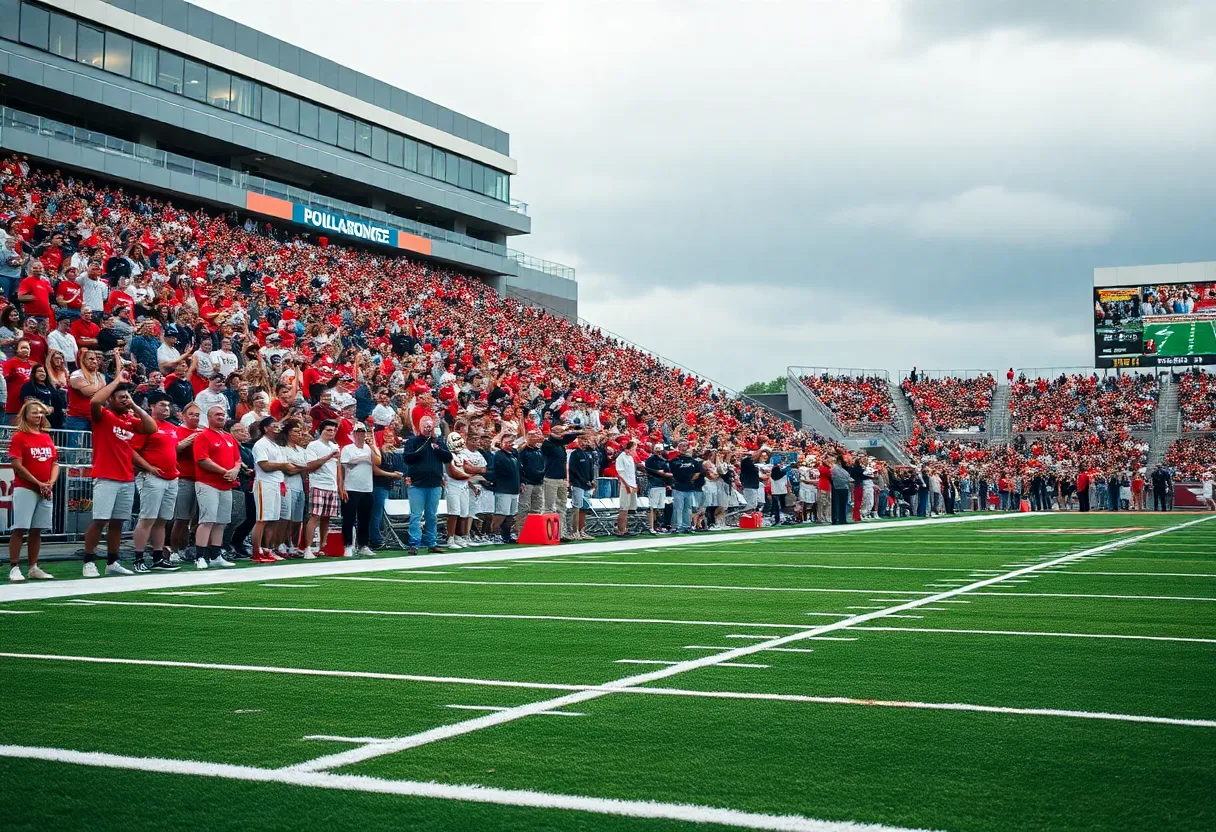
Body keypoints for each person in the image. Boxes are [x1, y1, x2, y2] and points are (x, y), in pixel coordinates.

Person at [83, 364, 157, 577]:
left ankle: (112, 562)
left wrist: (133, 403)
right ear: (111, 400)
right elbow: (95, 400)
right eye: (121, 397)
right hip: (106, 476)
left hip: (126, 477)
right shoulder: (103, 416)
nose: (125, 400)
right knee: (100, 521)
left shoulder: (128, 420)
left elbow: (151, 428)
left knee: (117, 523)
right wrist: (116, 381)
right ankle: (88, 561)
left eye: (127, 397)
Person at [129, 393, 183, 572]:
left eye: (168, 405)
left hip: (171, 477)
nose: (166, 408)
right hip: (152, 477)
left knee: (162, 520)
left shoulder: (172, 427)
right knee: (147, 518)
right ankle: (138, 558)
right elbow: (133, 451)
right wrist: (149, 467)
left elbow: (171, 450)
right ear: (151, 407)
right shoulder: (146, 426)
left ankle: (158, 557)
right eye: (162, 405)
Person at [7, 401, 58, 582]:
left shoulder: (46, 437)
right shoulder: (19, 437)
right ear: (25, 415)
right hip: (25, 488)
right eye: (34, 413)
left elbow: (54, 463)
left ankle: (33, 567)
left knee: (37, 530)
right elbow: (17, 465)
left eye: (41, 413)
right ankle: (14, 566)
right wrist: (38, 482)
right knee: (20, 528)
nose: (38, 416)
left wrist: (50, 482)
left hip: (45, 489)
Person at [191, 403, 240, 569]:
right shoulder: (203, 436)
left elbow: (238, 460)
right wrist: (225, 471)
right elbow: (202, 460)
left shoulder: (229, 437)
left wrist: (234, 471)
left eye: (223, 414)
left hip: (226, 485)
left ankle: (215, 555)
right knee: (207, 520)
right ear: (209, 417)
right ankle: (200, 556)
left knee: (221, 522)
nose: (221, 416)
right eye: (217, 414)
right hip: (208, 483)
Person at [402, 414, 451, 555]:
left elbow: (448, 457)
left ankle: (431, 542)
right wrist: (425, 447)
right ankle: (414, 543)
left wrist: (438, 448)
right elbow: (408, 458)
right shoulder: (413, 441)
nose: (428, 429)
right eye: (425, 426)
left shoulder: (439, 442)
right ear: (420, 427)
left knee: (431, 515)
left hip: (434, 483)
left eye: (430, 427)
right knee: (416, 515)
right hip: (417, 484)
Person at [251, 417, 290, 563]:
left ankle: (267, 549)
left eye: (278, 425)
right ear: (266, 428)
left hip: (276, 483)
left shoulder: (277, 445)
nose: (278, 428)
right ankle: (256, 552)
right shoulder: (261, 444)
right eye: (274, 425)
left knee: (273, 519)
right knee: (262, 519)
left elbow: (285, 465)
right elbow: (264, 466)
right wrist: (283, 466)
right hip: (264, 483)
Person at [339, 422, 379, 557]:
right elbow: (344, 465)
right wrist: (342, 487)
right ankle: (348, 545)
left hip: (367, 488)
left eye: (363, 432)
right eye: (359, 432)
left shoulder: (369, 448)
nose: (361, 434)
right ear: (354, 434)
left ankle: (363, 544)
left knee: (365, 518)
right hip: (351, 487)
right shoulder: (347, 449)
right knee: (349, 518)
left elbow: (377, 461)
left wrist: (373, 447)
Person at [303, 420, 342, 558]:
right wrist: (328, 456)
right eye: (328, 430)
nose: (331, 433)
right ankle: (307, 548)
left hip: (331, 486)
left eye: (333, 430)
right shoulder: (313, 445)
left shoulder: (335, 446)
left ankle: (322, 547)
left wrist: (339, 487)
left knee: (326, 518)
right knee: (315, 517)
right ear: (321, 431)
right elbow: (310, 466)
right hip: (318, 484)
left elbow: (338, 469)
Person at [541, 425, 581, 541]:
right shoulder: (547, 444)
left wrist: (570, 428)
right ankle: (547, 533)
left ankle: (560, 533)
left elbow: (574, 435)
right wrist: (559, 433)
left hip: (562, 479)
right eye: (559, 432)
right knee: (548, 507)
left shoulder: (561, 445)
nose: (562, 434)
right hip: (550, 479)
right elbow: (554, 438)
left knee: (561, 507)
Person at [489, 433, 520, 544]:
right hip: (503, 489)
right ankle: (494, 535)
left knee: (510, 515)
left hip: (513, 488)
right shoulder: (499, 455)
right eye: (506, 442)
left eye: (510, 442)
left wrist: (522, 482)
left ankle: (506, 535)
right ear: (501, 444)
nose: (509, 444)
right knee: (501, 514)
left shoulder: (514, 455)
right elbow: (498, 472)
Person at [514, 428, 546, 534]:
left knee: (537, 508)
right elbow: (519, 467)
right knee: (524, 507)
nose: (534, 438)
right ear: (527, 438)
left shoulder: (539, 450)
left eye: (535, 436)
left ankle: (534, 531)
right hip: (527, 482)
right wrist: (522, 481)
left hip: (539, 482)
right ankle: (520, 531)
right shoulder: (522, 451)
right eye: (531, 436)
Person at [669, 440, 704, 534]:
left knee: (688, 508)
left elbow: (699, 471)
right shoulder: (674, 461)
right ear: (678, 448)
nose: (683, 448)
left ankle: (686, 526)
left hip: (689, 488)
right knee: (678, 508)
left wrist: (691, 479)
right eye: (681, 446)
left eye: (685, 446)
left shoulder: (693, 461)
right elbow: (671, 473)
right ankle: (676, 526)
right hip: (678, 487)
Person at [568, 434, 598, 540]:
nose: (585, 442)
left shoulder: (588, 454)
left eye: (587, 440)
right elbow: (573, 470)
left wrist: (592, 480)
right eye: (583, 440)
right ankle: (574, 531)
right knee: (576, 507)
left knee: (584, 508)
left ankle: (582, 530)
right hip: (578, 484)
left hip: (587, 485)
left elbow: (591, 469)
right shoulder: (575, 454)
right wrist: (583, 481)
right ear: (579, 440)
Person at [644, 443, 672, 534]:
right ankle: (652, 527)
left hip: (661, 485)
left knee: (659, 507)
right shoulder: (650, 460)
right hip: (654, 485)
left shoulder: (663, 460)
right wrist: (661, 473)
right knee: (652, 507)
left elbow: (667, 472)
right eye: (656, 449)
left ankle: (658, 525)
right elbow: (649, 470)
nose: (658, 451)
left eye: (659, 449)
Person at [615, 437, 638, 537]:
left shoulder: (630, 457)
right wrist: (626, 484)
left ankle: (625, 528)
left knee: (628, 508)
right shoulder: (621, 457)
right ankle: (620, 530)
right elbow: (620, 472)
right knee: (623, 508)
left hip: (632, 484)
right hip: (626, 485)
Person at [830, 457, 852, 525]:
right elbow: (833, 477)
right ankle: (836, 519)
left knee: (843, 504)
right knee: (837, 504)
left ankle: (842, 518)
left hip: (843, 487)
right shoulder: (834, 468)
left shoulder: (842, 469)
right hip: (837, 487)